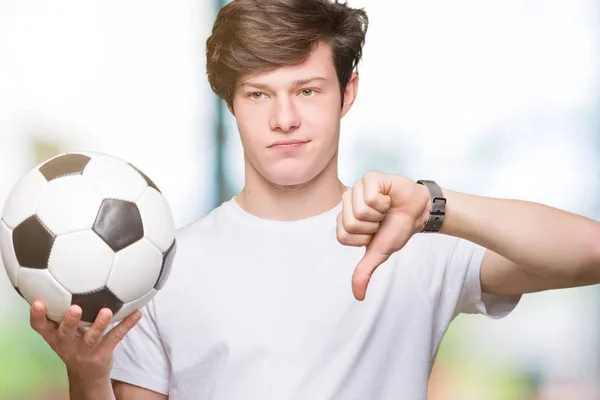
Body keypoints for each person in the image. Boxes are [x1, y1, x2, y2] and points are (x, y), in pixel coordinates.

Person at [27, 0, 600, 399]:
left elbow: (589, 252)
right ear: (231, 102)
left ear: (347, 93)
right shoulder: (161, 266)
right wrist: (88, 377)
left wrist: (434, 206)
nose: (284, 119)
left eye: (306, 89)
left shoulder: (409, 236)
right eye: (258, 94)